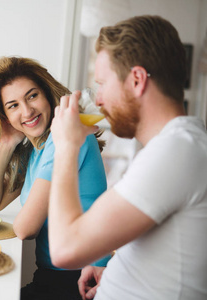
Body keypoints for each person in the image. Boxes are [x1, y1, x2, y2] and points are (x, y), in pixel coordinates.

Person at [48, 15, 207, 299]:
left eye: (102, 84)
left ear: (136, 79)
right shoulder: (174, 146)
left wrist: (66, 146)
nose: (97, 100)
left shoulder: (177, 151)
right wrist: (117, 268)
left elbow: (64, 250)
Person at [0, 56, 111, 300]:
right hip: (54, 276)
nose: (27, 111)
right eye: (12, 106)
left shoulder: (66, 139)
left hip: (78, 281)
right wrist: (6, 142)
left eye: (32, 96)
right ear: (3, 115)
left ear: (47, 94)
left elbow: (25, 229)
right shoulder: (38, 148)